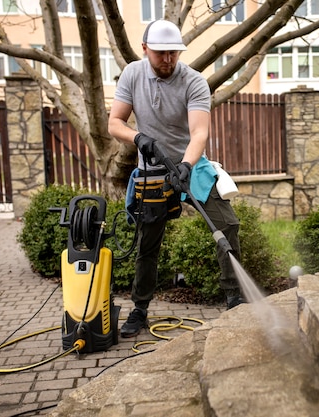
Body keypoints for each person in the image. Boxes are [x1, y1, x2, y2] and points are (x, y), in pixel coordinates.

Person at [108, 19, 244, 338]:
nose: (168, 60)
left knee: (228, 225)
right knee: (148, 243)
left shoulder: (194, 81)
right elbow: (114, 122)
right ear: (145, 50)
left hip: (190, 166)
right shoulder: (132, 74)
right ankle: (140, 309)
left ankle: (235, 297)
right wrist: (138, 137)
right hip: (153, 170)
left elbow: (199, 132)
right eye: (160, 54)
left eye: (173, 53)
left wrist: (185, 165)